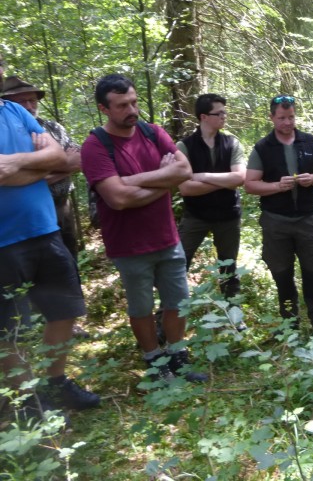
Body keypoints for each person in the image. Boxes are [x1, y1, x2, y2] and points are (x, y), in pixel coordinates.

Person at [81, 74, 206, 382]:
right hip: (129, 244)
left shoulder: (152, 133)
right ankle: (154, 361)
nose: (132, 110)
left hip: (166, 236)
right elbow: (118, 199)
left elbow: (184, 170)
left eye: (134, 102)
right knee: (142, 307)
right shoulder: (95, 146)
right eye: (122, 105)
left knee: (178, 301)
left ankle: (178, 355)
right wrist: (164, 181)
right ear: (103, 109)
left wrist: (135, 181)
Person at [1, 91, 100, 422]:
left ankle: (55, 382)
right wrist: (38, 161)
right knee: (9, 330)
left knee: (64, 311)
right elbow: (53, 162)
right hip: (3, 241)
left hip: (45, 228)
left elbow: (60, 157)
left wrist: (13, 163)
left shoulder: (15, 110)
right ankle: (28, 400)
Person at [244, 95, 313, 333]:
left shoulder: (309, 141)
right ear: (272, 117)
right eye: (282, 118)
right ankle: (289, 324)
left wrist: (312, 178)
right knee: (282, 274)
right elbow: (250, 184)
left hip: (307, 219)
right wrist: (276, 186)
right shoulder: (263, 147)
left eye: (291, 117)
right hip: (276, 221)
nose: (287, 122)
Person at [1, 76, 82, 258]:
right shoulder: (8, 130)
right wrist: (52, 163)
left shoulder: (52, 128)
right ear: (9, 102)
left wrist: (35, 171)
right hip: (29, 217)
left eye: (32, 100)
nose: (30, 106)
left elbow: (78, 159)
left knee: (70, 261)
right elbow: (5, 175)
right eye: (23, 101)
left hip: (63, 206)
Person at [177, 94, 245, 302]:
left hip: (228, 214)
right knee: (178, 263)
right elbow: (186, 188)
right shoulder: (184, 146)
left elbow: (240, 178)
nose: (224, 116)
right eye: (219, 113)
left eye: (225, 111)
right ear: (204, 116)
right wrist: (224, 181)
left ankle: (233, 316)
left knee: (228, 265)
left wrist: (203, 176)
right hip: (196, 215)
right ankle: (169, 316)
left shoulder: (232, 143)